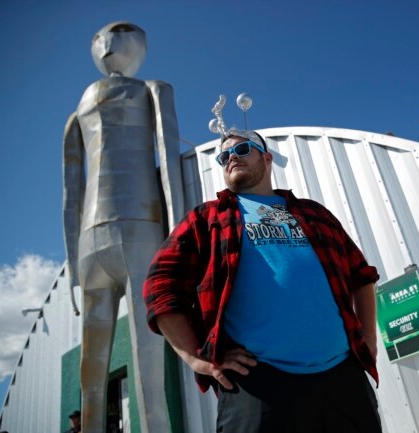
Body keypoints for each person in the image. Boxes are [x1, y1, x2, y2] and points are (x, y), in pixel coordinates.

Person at [143, 130, 382, 433]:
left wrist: (369, 340)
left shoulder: (314, 214)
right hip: (257, 384)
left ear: (267, 158)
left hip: (342, 379)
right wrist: (196, 359)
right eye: (224, 156)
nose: (231, 157)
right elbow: (160, 287)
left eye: (242, 149)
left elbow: (361, 275)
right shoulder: (207, 219)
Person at [62, 21, 183, 433]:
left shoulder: (79, 110)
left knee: (92, 379)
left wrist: (73, 268)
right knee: (147, 368)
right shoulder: (153, 89)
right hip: (139, 225)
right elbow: (167, 163)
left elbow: (70, 196)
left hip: (89, 242)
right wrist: (181, 236)